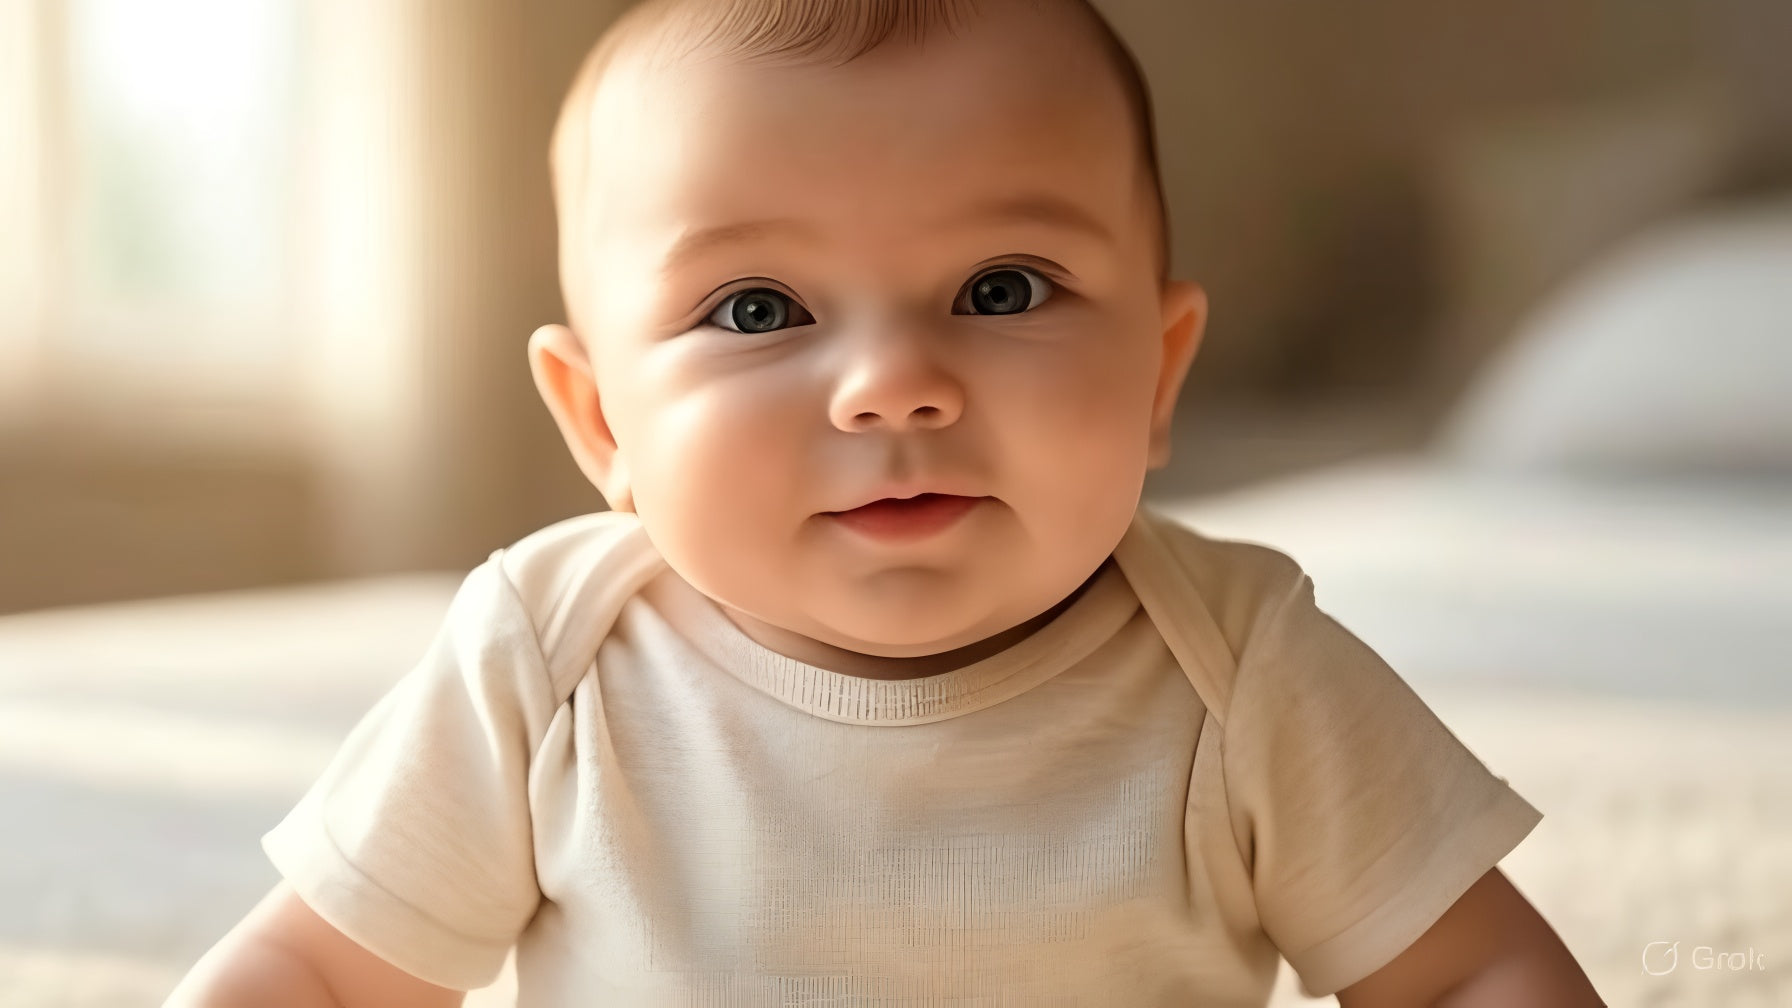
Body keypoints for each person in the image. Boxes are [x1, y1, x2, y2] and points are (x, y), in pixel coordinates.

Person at [166, 0, 1605, 1004]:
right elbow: (319, 974)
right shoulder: (549, 660)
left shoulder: (1242, 666)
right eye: (757, 307)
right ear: (602, 421)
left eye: (1004, 289)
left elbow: (1468, 971)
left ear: (1159, 373)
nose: (894, 388)